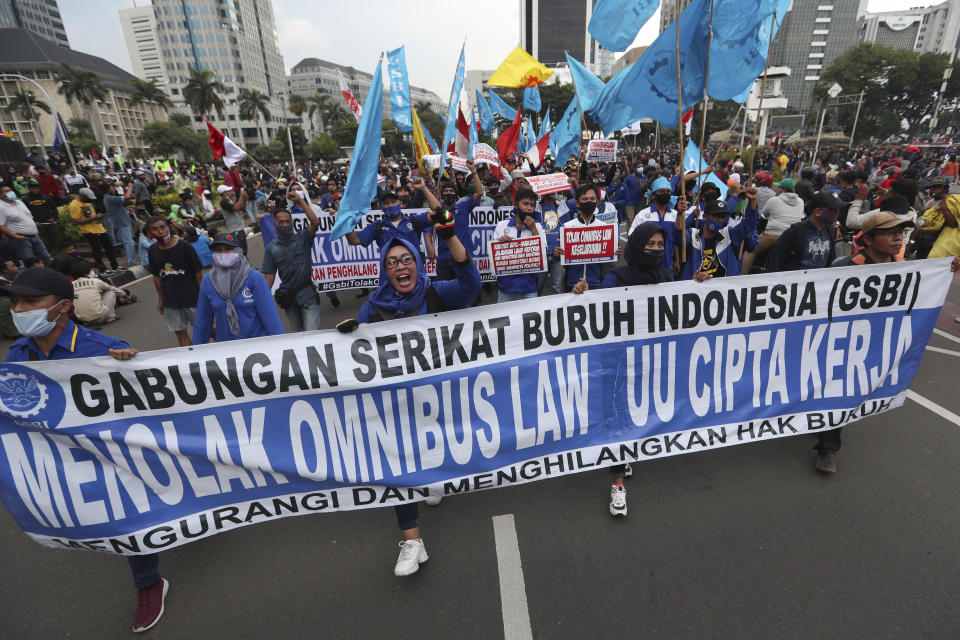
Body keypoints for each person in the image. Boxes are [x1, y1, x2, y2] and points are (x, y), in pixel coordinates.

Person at [0, 267, 166, 633]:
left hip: (110, 457)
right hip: (62, 462)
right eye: (15, 301)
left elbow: (148, 405)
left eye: (31, 301)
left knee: (128, 519)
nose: (19, 308)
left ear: (62, 307)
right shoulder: (17, 355)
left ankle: (149, 583)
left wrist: (131, 367)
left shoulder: (105, 351)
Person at [337, 206, 481, 577]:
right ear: (385, 271)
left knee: (429, 452)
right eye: (392, 263)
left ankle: (432, 477)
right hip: (395, 403)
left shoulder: (435, 293)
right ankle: (412, 540)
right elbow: (356, 355)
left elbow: (471, 287)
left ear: (417, 262)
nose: (400, 268)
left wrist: (449, 235)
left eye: (406, 260)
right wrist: (349, 336)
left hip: (437, 400)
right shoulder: (373, 306)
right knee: (397, 462)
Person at [571, 221, 670, 516]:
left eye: (659, 245)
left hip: (649, 360)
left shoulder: (666, 275)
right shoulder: (617, 277)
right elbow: (599, 303)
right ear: (637, 246)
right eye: (649, 244)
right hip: (618, 360)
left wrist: (699, 284)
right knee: (618, 416)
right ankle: (617, 486)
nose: (654, 250)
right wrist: (584, 291)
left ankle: (625, 452)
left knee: (636, 413)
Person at [193, 232, 284, 343]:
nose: (223, 254)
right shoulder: (208, 281)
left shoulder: (254, 278)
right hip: (227, 351)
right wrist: (196, 351)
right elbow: (202, 322)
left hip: (258, 347)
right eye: (218, 250)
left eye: (228, 249)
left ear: (238, 252)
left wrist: (281, 346)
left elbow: (271, 319)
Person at [262, 191, 323, 332]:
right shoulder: (271, 248)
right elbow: (269, 279)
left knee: (313, 336)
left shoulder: (303, 238)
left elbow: (315, 222)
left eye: (288, 221)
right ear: (275, 223)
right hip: (288, 300)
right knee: (299, 338)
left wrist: (300, 201)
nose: (285, 224)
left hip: (308, 296)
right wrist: (260, 301)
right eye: (281, 222)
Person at [674, 186, 760, 281]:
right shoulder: (693, 235)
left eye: (722, 217)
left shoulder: (729, 234)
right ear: (705, 217)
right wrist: (680, 214)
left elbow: (748, 224)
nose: (720, 220)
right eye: (716, 216)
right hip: (696, 289)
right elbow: (678, 238)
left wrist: (753, 202)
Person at [146, 216, 202, 347]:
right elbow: (157, 277)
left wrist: (204, 295)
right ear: (150, 233)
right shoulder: (152, 250)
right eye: (155, 229)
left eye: (162, 227)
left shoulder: (184, 246)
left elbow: (197, 273)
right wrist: (161, 299)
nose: (160, 232)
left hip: (192, 296)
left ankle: (225, 350)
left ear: (169, 228)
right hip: (170, 300)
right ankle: (192, 363)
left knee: (207, 330)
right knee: (182, 336)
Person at [766, 190, 841, 272]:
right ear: (817, 211)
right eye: (833, 210)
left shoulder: (830, 230)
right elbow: (775, 262)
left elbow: (830, 261)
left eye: (838, 209)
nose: (836, 213)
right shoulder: (795, 232)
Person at [741, 177, 804, 274]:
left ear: (783, 189)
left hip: (774, 235)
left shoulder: (774, 200)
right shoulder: (801, 201)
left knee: (750, 250)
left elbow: (763, 215)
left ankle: (740, 277)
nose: (776, 189)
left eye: (778, 187)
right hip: (794, 236)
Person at [492, 188, 543, 302]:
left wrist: (533, 230)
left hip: (529, 287)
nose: (529, 208)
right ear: (516, 205)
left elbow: (542, 255)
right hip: (506, 287)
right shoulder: (501, 225)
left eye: (532, 205)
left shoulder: (538, 227)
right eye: (525, 204)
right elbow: (494, 255)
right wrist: (500, 243)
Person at [0, 184, 50, 265]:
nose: (10, 192)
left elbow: (29, 217)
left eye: (10, 190)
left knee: (45, 258)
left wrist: (36, 233)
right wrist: (15, 236)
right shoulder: (1, 207)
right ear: (1, 196)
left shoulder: (19, 202)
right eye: (6, 191)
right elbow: (1, 226)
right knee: (30, 262)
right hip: (20, 239)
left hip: (34, 236)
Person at [69, 188, 117, 271]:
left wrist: (97, 217)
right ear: (82, 196)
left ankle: (115, 265)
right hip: (89, 231)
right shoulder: (74, 205)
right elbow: (76, 221)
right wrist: (93, 217)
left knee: (109, 247)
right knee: (97, 251)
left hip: (99, 229)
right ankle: (103, 269)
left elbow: (92, 216)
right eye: (88, 198)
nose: (90, 200)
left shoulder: (87, 203)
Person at [70, 260, 133, 324]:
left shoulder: (70, 285)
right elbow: (113, 289)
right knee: (110, 292)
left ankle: (87, 321)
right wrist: (125, 296)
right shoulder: (95, 281)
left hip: (83, 320)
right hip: (100, 318)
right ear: (86, 272)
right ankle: (111, 316)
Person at [22, 179, 60, 253]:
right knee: (44, 242)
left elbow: (54, 208)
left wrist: (54, 218)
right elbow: (24, 213)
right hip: (37, 224)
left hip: (50, 222)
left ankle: (57, 254)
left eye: (36, 188)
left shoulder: (45, 197)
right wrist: (33, 222)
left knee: (56, 240)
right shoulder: (25, 199)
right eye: (32, 188)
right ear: (29, 189)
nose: (35, 190)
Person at [104, 187, 137, 266]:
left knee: (126, 242)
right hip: (121, 223)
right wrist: (130, 186)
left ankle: (131, 260)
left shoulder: (107, 198)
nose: (114, 189)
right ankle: (132, 261)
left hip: (119, 222)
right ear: (108, 189)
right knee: (129, 242)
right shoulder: (110, 198)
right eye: (112, 188)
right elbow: (126, 196)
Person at [215, 184, 249, 254]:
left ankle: (245, 263)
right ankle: (243, 264)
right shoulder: (223, 202)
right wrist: (242, 196)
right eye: (229, 190)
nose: (231, 191)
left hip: (239, 229)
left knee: (243, 250)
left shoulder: (229, 200)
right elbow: (236, 208)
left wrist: (244, 199)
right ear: (223, 193)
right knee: (240, 251)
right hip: (235, 230)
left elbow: (241, 208)